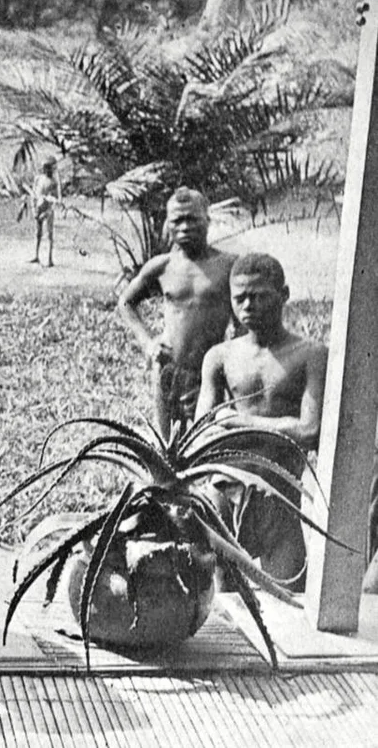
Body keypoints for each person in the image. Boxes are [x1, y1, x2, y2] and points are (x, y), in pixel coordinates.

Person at [195, 253, 327, 588]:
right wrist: (276, 425)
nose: (248, 305)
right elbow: (202, 430)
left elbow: (310, 431)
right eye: (239, 298)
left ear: (283, 294)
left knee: (291, 597)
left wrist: (238, 423)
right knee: (224, 603)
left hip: (279, 496)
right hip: (225, 491)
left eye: (259, 295)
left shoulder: (310, 355)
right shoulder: (220, 356)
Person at [117, 187, 238, 434]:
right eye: (177, 220)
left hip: (210, 371)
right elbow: (126, 303)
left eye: (192, 218)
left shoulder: (229, 266)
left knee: (208, 440)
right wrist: (148, 342)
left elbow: (243, 323)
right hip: (168, 369)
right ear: (168, 225)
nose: (184, 227)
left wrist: (235, 356)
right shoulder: (162, 266)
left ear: (207, 219)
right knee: (168, 447)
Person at [23, 157, 59, 267]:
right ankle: (36, 255)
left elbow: (55, 199)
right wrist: (34, 210)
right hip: (39, 208)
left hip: (47, 209)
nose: (49, 171)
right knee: (38, 233)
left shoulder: (53, 182)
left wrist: (47, 212)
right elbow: (34, 194)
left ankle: (50, 258)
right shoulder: (38, 179)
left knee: (49, 234)